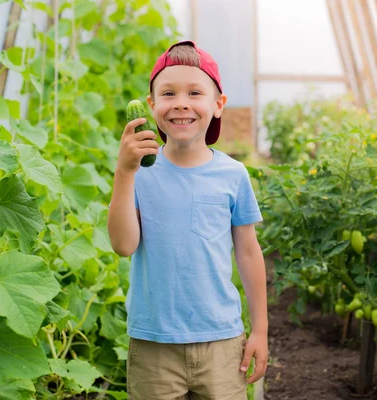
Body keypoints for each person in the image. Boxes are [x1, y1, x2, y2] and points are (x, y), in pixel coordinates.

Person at [107, 40, 268, 400]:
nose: (181, 102)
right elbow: (122, 245)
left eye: (195, 92)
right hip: (153, 343)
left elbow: (248, 253)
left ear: (218, 104)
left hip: (222, 341)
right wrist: (123, 171)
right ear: (151, 106)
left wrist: (260, 330)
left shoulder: (233, 174)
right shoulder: (138, 173)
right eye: (168, 93)